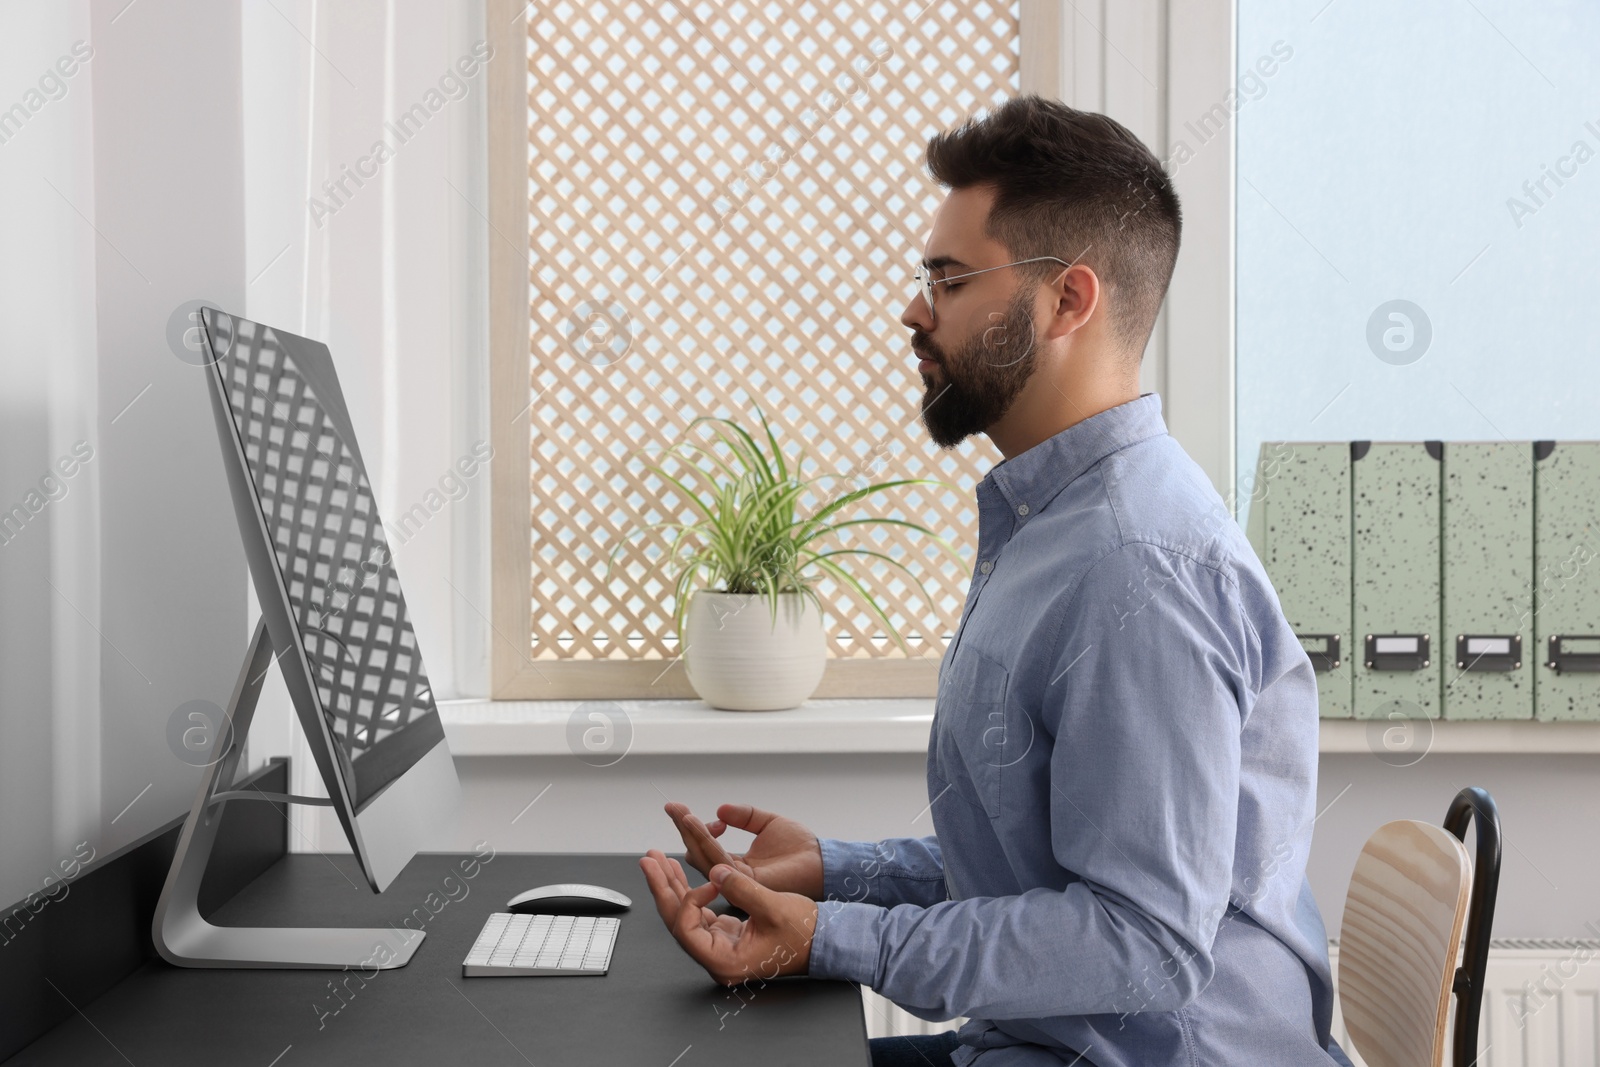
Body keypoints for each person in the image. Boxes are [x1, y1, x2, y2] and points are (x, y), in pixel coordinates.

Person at [639, 93, 1353, 1067]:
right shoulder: (1056, 523)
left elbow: (1141, 941)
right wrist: (836, 875)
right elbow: (1054, 868)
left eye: (948, 279)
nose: (912, 310)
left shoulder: (1138, 566)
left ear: (1066, 300)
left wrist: (828, 934)